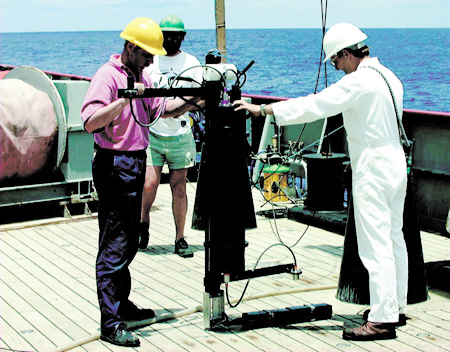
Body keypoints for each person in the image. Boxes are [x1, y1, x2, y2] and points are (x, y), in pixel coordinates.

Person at [234, 23, 408, 341]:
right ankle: (394, 306)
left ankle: (382, 319)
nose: (336, 68)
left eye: (335, 61)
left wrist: (263, 109)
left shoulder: (359, 82)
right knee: (394, 238)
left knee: (375, 245)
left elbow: (315, 105)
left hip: (372, 166)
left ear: (345, 53)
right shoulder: (389, 77)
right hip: (396, 163)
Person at [81, 17, 201, 347]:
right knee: (115, 244)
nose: (152, 61)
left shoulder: (144, 75)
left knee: (130, 238)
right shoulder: (108, 76)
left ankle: (123, 305)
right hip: (113, 163)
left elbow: (164, 108)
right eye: (147, 54)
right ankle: (111, 321)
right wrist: (123, 100)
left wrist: (196, 99)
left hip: (136, 159)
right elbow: (90, 121)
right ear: (130, 48)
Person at [139, 14, 203, 258]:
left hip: (181, 133)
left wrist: (181, 109)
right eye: (166, 35)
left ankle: (180, 238)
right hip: (153, 132)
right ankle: (143, 223)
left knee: (179, 187)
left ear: (183, 37)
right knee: (149, 184)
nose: (171, 40)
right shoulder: (150, 62)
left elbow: (203, 99)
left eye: (175, 36)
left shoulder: (193, 63)